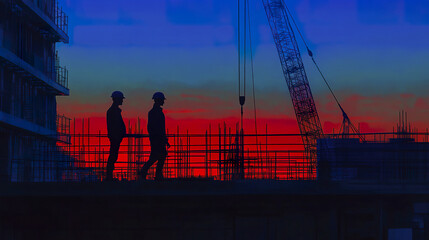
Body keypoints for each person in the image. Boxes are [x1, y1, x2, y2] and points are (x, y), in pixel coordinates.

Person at [139, 92, 170, 180]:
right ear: (158, 100)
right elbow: (155, 127)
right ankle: (150, 172)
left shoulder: (155, 112)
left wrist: (164, 139)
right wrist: (160, 138)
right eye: (162, 100)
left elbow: (156, 127)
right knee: (157, 156)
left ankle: (154, 173)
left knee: (159, 155)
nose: (163, 102)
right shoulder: (155, 113)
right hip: (157, 138)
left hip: (158, 138)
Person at [105, 91, 126, 181]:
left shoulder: (114, 110)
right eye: (121, 99)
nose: (122, 101)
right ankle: (109, 176)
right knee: (113, 156)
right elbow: (115, 125)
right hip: (115, 137)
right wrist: (117, 134)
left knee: (113, 155)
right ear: (117, 99)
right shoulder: (113, 111)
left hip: (116, 137)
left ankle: (109, 176)